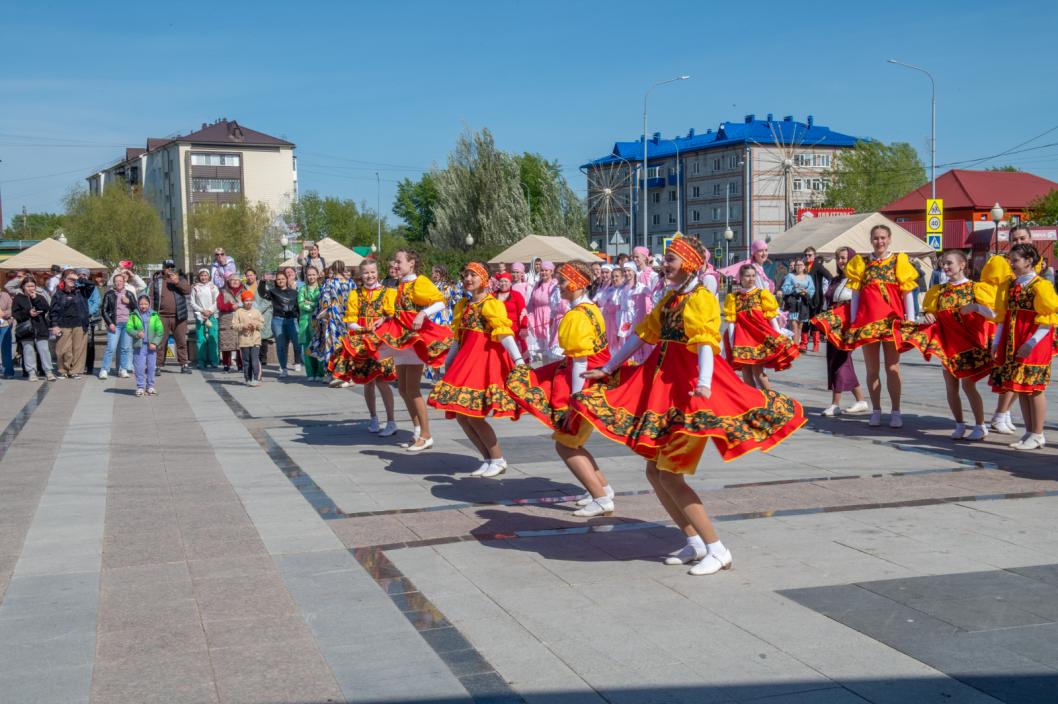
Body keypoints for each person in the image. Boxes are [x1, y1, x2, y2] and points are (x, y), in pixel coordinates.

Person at [575, 236, 807, 576]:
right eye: (665, 260)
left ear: (689, 263)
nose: (664, 264)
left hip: (690, 397)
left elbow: (705, 346)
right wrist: (609, 367)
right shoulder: (672, 297)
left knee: (669, 475)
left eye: (670, 259)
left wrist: (703, 384)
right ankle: (695, 541)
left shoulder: (700, 298)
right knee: (655, 472)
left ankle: (717, 548)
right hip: (664, 390)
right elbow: (642, 334)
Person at [506, 261, 616, 516]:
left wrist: (576, 400)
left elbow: (580, 360)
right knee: (573, 442)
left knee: (565, 444)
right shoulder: (591, 309)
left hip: (584, 381)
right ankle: (602, 489)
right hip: (592, 381)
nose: (559, 285)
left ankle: (601, 498)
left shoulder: (578, 315)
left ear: (577, 282)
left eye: (564, 281)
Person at [348, 249, 452, 452]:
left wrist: (423, 313)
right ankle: (416, 431)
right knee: (403, 389)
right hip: (400, 339)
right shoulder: (401, 284)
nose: (395, 265)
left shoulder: (419, 282)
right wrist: (386, 318)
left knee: (412, 390)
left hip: (413, 340)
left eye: (399, 261)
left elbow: (440, 301)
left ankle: (426, 435)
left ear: (411, 263)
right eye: (394, 261)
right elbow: (400, 311)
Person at [429, 262, 525, 477]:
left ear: (484, 279)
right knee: (462, 415)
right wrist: (449, 361)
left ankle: (498, 458)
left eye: (473, 275)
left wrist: (519, 360)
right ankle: (488, 458)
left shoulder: (491, 304)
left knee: (474, 415)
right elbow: (457, 338)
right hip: (465, 362)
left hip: (483, 363)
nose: (468, 279)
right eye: (466, 276)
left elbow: (504, 334)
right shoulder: (463, 305)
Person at [893, 249, 996, 441]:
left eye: (949, 263)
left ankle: (980, 425)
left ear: (962, 265)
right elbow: (932, 314)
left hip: (969, 345)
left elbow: (994, 315)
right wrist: (928, 315)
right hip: (947, 344)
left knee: (968, 386)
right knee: (951, 386)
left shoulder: (975, 288)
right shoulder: (939, 291)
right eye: (943, 263)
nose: (945, 266)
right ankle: (959, 424)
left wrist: (976, 307)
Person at [833, 226, 918, 428]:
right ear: (871, 240)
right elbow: (856, 294)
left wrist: (911, 321)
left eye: (883, 238)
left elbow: (907, 293)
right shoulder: (862, 263)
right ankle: (877, 410)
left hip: (892, 322)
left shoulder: (899, 261)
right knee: (872, 370)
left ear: (889, 239)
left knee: (893, 368)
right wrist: (854, 321)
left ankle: (896, 411)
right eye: (876, 238)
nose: (879, 242)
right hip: (867, 322)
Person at [988, 243, 1057, 450]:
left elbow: (1048, 319)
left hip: (1034, 341)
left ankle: (1038, 433)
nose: (1011, 264)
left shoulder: (1041, 286)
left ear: (1029, 261)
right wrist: (997, 341)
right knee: (1022, 387)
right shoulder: (1011, 285)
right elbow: (1003, 317)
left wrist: (1032, 342)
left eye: (1015, 260)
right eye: (1010, 260)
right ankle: (1029, 432)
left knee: (1034, 388)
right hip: (1014, 340)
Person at [980, 225, 1043, 435]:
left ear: (1031, 239)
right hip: (1009, 322)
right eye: (1014, 239)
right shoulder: (1002, 263)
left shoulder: (1039, 267)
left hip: (1033, 327)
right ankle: (1002, 413)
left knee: (1027, 378)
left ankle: (1009, 416)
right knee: (1010, 372)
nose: (1019, 242)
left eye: (1022, 238)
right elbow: (993, 295)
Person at [331, 259, 398, 434]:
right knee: (368, 382)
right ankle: (374, 419)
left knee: (382, 382)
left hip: (381, 344)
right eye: (366, 272)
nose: (370, 275)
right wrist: (363, 329)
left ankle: (391, 421)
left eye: (373, 272)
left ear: (378, 272)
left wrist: (382, 321)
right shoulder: (355, 294)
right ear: (361, 274)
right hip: (362, 343)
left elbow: (393, 316)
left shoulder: (388, 292)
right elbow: (350, 321)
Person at [810, 247, 868, 417]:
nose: (841, 261)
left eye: (844, 258)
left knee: (841, 361)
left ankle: (836, 403)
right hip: (832, 325)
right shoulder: (836, 280)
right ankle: (861, 400)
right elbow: (828, 301)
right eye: (839, 258)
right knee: (836, 360)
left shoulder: (856, 280)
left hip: (846, 325)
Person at [724, 264, 799, 390]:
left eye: (753, 276)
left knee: (758, 372)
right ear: (741, 278)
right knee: (745, 371)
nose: (751, 279)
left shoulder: (761, 294)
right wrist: (732, 343)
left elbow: (771, 317)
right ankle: (755, 400)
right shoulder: (733, 298)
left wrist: (778, 335)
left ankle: (771, 400)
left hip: (759, 338)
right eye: (747, 276)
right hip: (742, 338)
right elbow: (731, 321)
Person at [313, 261, 354, 387]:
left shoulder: (329, 283)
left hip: (333, 321)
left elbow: (323, 302)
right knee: (346, 347)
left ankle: (333, 374)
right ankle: (347, 375)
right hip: (348, 320)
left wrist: (320, 318)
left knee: (332, 347)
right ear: (343, 269)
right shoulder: (351, 283)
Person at [150, 261, 192, 374]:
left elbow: (188, 290)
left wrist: (177, 282)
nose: (169, 269)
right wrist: (152, 314)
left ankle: (184, 364)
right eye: (167, 267)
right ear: (163, 268)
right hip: (161, 316)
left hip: (179, 316)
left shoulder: (181, 278)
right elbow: (151, 297)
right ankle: (157, 365)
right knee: (160, 342)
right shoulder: (157, 280)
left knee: (181, 341)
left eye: (171, 267)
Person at [48, 268, 90, 379]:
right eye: (69, 278)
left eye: (73, 278)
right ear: (63, 279)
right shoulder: (58, 293)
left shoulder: (81, 291)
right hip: (63, 324)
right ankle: (63, 370)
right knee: (62, 349)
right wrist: (55, 325)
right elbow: (53, 311)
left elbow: (91, 285)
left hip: (80, 323)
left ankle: (75, 371)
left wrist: (79, 278)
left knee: (78, 349)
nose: (71, 280)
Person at [12, 278, 55, 381]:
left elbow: (46, 308)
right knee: (28, 351)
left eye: (32, 286)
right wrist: (28, 313)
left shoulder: (39, 296)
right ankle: (31, 372)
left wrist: (35, 298)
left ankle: (48, 371)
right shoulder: (18, 298)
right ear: (23, 287)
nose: (30, 288)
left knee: (44, 350)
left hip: (40, 327)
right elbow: (16, 314)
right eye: (28, 286)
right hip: (26, 329)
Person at [258, 270, 300, 378]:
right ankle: (283, 368)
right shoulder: (273, 292)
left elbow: (298, 307)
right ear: (275, 281)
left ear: (286, 280)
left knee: (297, 342)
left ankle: (298, 362)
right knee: (281, 346)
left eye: (283, 279)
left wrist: (297, 317)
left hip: (292, 320)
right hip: (278, 320)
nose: (281, 281)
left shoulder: (294, 292)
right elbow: (262, 293)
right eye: (278, 279)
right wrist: (263, 281)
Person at [99, 273, 137, 379]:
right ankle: (104, 370)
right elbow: (104, 310)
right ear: (114, 283)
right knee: (111, 348)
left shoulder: (129, 294)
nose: (118, 283)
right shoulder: (109, 294)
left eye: (120, 281)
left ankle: (123, 369)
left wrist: (129, 302)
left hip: (127, 325)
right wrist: (110, 322)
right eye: (116, 281)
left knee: (125, 348)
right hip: (115, 324)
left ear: (124, 282)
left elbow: (136, 308)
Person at [126, 294, 163, 397]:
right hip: (139, 346)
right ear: (138, 304)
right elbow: (129, 328)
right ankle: (140, 387)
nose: (143, 306)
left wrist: (155, 342)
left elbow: (159, 330)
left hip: (151, 346)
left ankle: (150, 386)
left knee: (151, 367)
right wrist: (137, 333)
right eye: (141, 304)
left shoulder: (154, 315)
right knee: (139, 367)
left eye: (146, 304)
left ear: (149, 304)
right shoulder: (133, 316)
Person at [780, 259, 816, 351]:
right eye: (797, 265)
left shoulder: (808, 277)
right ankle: (795, 347)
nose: (799, 266)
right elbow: (784, 289)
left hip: (803, 303)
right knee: (794, 324)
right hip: (793, 302)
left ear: (804, 267)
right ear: (794, 267)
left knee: (800, 325)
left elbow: (812, 290)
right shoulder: (790, 276)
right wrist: (793, 287)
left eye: (801, 264)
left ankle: (797, 345)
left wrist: (806, 292)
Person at [526, 261, 557, 363]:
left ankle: (550, 367)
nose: (544, 273)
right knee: (539, 347)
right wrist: (526, 313)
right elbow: (531, 301)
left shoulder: (554, 284)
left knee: (549, 344)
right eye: (542, 270)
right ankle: (542, 369)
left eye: (546, 270)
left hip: (548, 316)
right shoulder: (537, 284)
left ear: (551, 271)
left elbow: (556, 303)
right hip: (536, 316)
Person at [232, 289, 264, 387]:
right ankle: (247, 378)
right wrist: (243, 326)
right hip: (244, 341)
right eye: (246, 300)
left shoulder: (257, 312)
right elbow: (234, 325)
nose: (248, 302)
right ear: (242, 301)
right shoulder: (238, 312)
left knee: (254, 359)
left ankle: (256, 378)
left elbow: (262, 324)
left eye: (250, 300)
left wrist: (255, 325)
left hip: (255, 340)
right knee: (246, 361)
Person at [190, 268, 220, 370]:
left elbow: (217, 301)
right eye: (202, 275)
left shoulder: (213, 287)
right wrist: (202, 310)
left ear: (209, 276)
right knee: (200, 338)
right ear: (199, 277)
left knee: (213, 337)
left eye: (205, 275)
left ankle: (214, 360)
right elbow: (192, 302)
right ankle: (201, 361)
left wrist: (209, 311)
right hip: (200, 315)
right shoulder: (195, 288)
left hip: (212, 315)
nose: (204, 277)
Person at [298, 266, 324, 380]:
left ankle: (320, 373)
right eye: (309, 275)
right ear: (306, 276)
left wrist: (311, 304)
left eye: (313, 274)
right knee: (307, 346)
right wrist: (314, 305)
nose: (311, 277)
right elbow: (301, 304)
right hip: (305, 322)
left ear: (317, 275)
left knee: (319, 346)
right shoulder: (303, 289)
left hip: (318, 321)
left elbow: (322, 304)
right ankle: (310, 373)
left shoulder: (322, 288)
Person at [493, 273, 528, 355]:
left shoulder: (516, 295)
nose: (503, 283)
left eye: (506, 281)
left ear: (510, 283)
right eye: (501, 281)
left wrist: (523, 327)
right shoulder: (493, 296)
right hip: (498, 330)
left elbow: (523, 312)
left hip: (514, 330)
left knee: (516, 354)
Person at [217, 273, 244, 373]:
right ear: (228, 281)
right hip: (226, 319)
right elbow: (220, 305)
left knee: (240, 344)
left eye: (237, 280)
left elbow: (249, 302)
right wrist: (231, 306)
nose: (235, 281)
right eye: (232, 279)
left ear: (240, 281)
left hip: (240, 319)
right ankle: (226, 365)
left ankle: (240, 365)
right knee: (226, 344)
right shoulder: (222, 291)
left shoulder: (244, 290)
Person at [803, 247, 829, 352]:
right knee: (804, 321)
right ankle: (804, 344)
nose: (807, 257)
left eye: (810, 255)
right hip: (804, 298)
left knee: (814, 321)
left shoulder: (818, 266)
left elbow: (829, 276)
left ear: (814, 256)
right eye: (806, 255)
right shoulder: (803, 266)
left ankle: (816, 344)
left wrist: (827, 292)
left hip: (816, 299)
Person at [80, 269, 102, 375]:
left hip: (89, 319)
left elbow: (97, 302)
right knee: (78, 344)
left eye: (84, 274)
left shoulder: (93, 288)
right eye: (79, 274)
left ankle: (89, 367)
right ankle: (79, 365)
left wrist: (88, 312)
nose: (82, 276)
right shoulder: (75, 287)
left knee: (89, 343)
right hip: (77, 319)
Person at [0, 277, 14, 379]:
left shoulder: (5, 296)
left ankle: (8, 372)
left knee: (6, 349)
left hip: (4, 325)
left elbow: (12, 309)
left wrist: (3, 314)